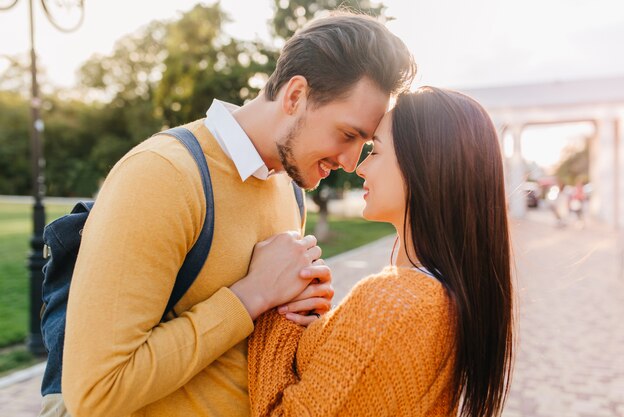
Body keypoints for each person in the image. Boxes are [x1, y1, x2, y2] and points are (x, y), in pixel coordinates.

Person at [57, 12, 415, 417]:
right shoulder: (163, 175)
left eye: (365, 144)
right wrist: (251, 295)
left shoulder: (288, 188)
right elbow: (96, 391)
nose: (351, 162)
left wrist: (303, 316)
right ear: (295, 96)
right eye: (347, 135)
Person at [248, 87, 515, 417]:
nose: (359, 168)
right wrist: (318, 321)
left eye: (375, 151)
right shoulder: (437, 296)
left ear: (423, 165)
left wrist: (275, 308)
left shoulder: (394, 306)